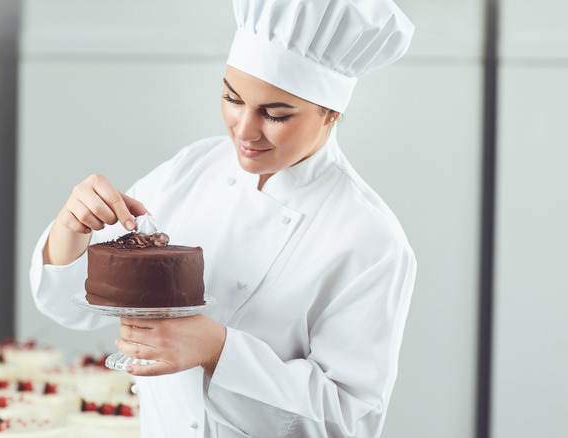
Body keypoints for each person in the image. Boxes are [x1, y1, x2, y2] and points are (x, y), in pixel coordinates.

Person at [30, 0, 416, 436]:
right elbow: (71, 306)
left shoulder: (370, 240)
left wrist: (218, 350)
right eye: (232, 98)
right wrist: (73, 228)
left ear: (331, 112)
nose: (244, 130)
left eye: (275, 114)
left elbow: (348, 421)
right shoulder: (193, 168)